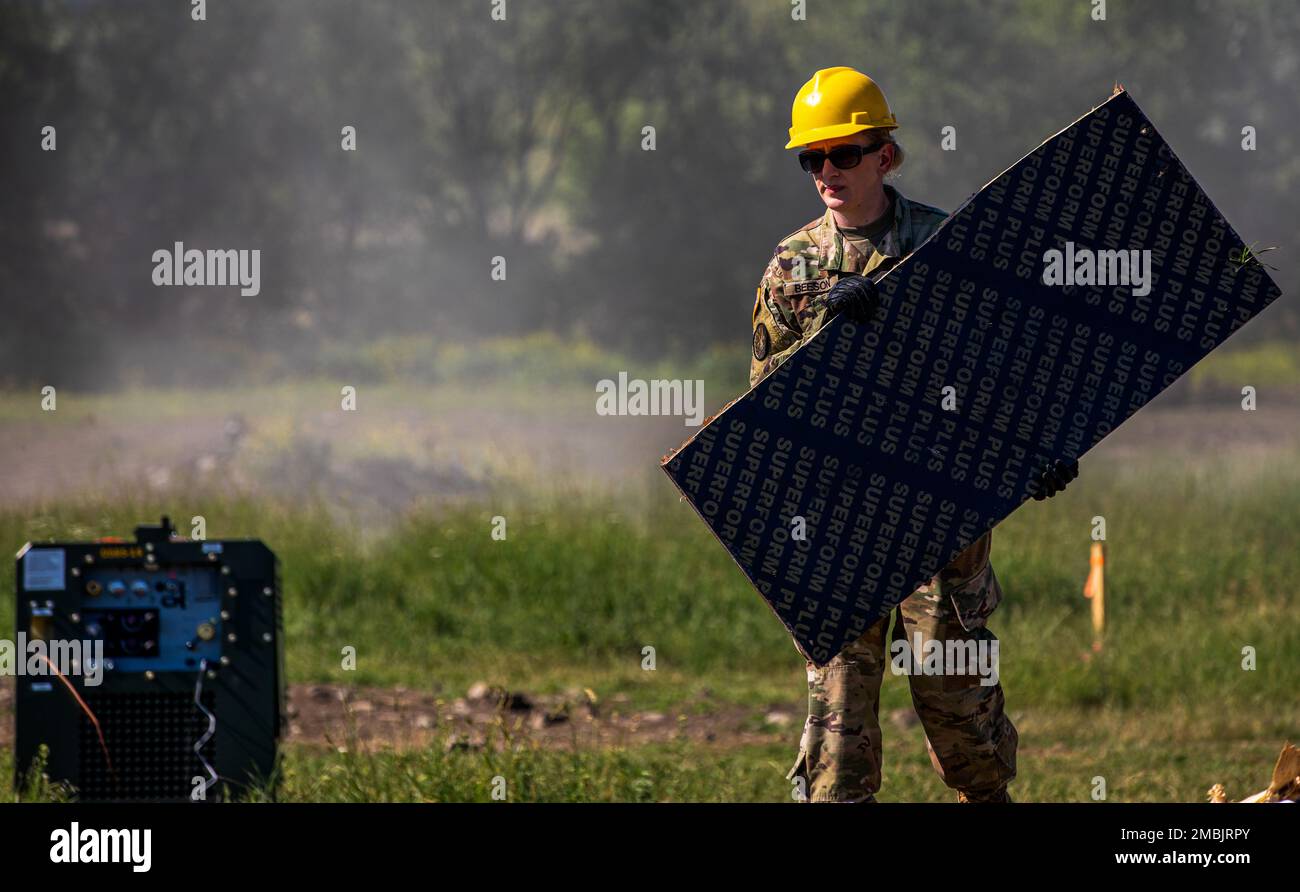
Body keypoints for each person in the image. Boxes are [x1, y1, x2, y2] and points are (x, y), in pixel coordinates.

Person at [749, 67, 1078, 803]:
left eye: (844, 154)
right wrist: (829, 338)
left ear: (885, 157)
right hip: (839, 527)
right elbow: (766, 407)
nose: (827, 172)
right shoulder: (792, 268)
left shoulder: (942, 245)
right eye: (813, 159)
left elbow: (1001, 373)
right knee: (838, 740)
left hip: (940, 518)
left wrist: (1043, 450)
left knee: (961, 720)